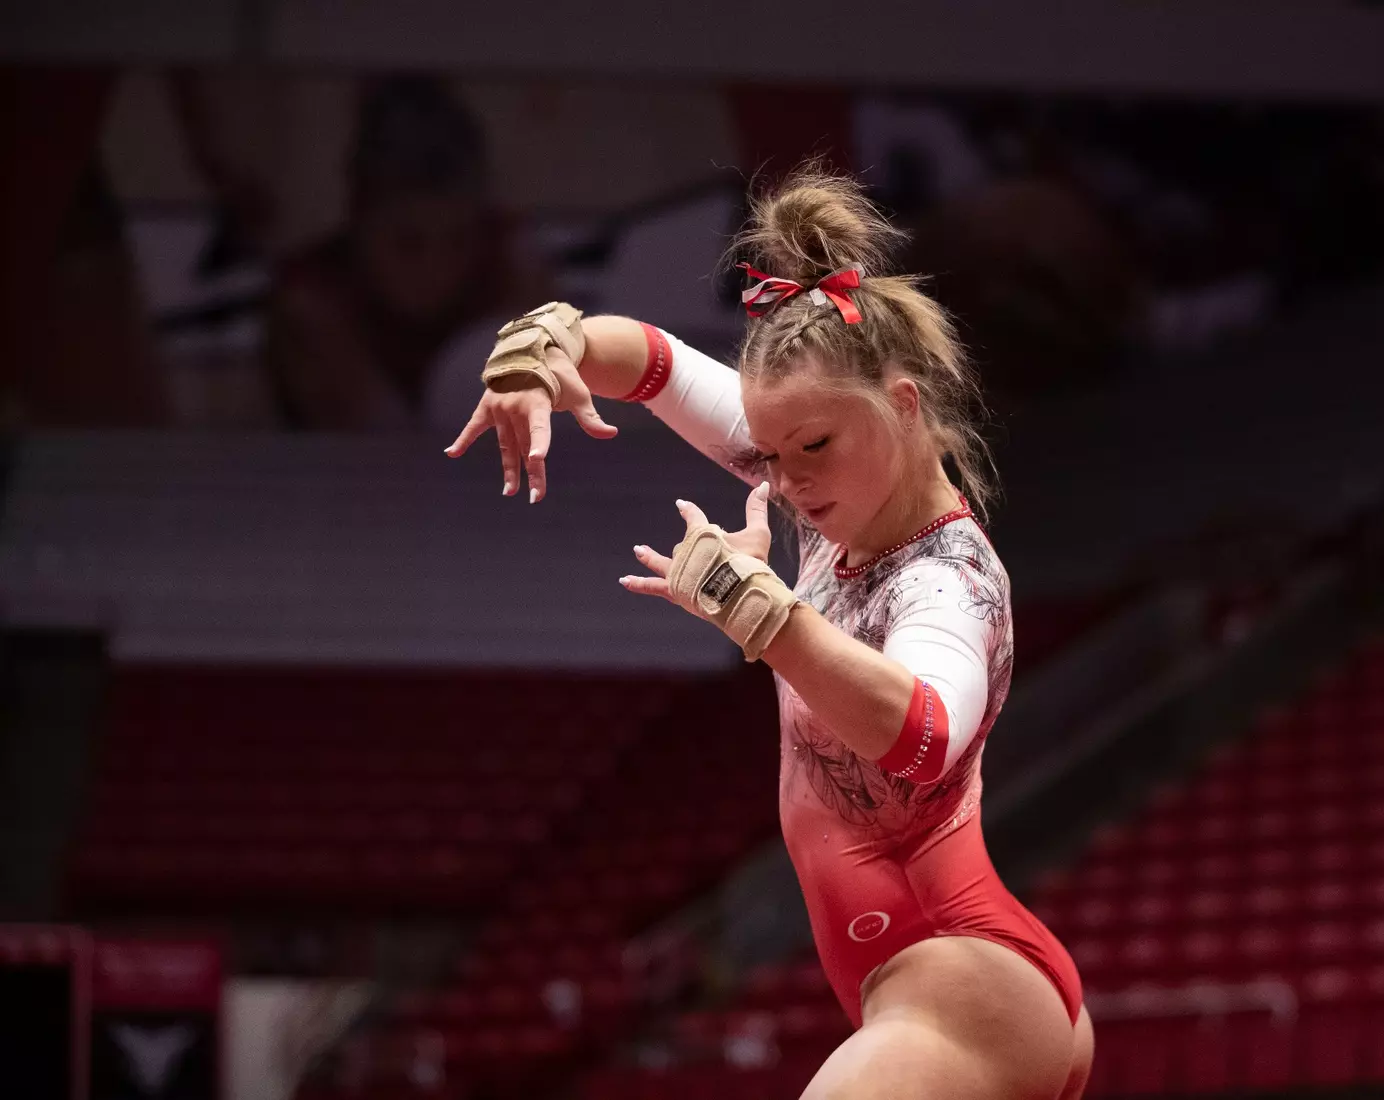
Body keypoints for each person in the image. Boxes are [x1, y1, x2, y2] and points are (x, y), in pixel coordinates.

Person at [445, 169, 1093, 1100]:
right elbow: (651, 362)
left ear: (904, 407)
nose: (784, 482)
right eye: (771, 453)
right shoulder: (826, 468)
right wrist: (550, 347)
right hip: (933, 988)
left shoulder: (948, 578)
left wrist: (766, 615)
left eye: (810, 451)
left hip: (962, 980)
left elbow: (921, 733)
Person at [266, 75, 547, 430]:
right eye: (407, 244)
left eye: (459, 240)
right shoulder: (315, 300)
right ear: (359, 228)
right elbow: (381, 449)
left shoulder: (512, 266)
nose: (437, 270)